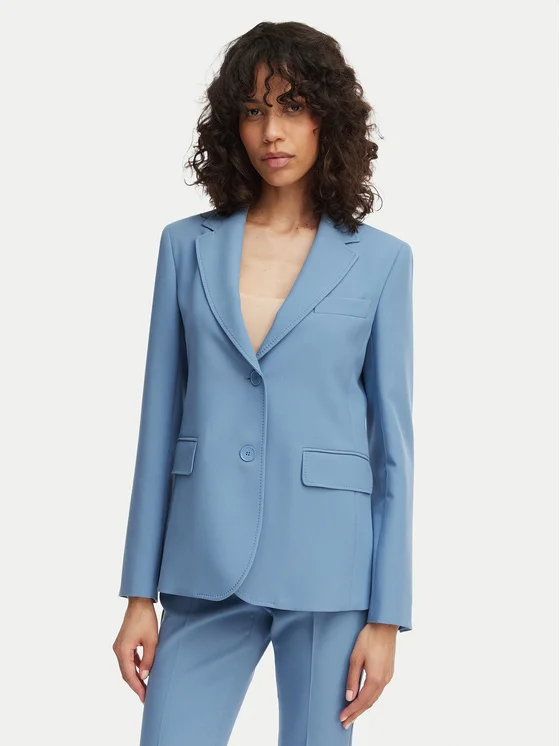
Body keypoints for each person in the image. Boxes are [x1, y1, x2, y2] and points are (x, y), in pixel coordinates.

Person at [113, 20, 414, 746]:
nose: (271, 131)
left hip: (329, 570)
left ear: (327, 119)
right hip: (203, 560)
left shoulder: (381, 261)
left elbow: (394, 448)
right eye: (253, 111)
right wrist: (137, 594)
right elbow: (158, 425)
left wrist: (388, 615)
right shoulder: (185, 246)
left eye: (292, 106)